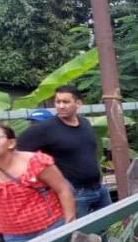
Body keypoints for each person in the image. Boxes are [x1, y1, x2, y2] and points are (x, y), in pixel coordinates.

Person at [17, 85, 110, 218]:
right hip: (74, 193)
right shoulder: (45, 129)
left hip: (98, 188)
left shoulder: (85, 124)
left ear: (78, 104)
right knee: (80, 234)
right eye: (57, 102)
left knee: (106, 228)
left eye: (65, 102)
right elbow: (18, 153)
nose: (60, 106)